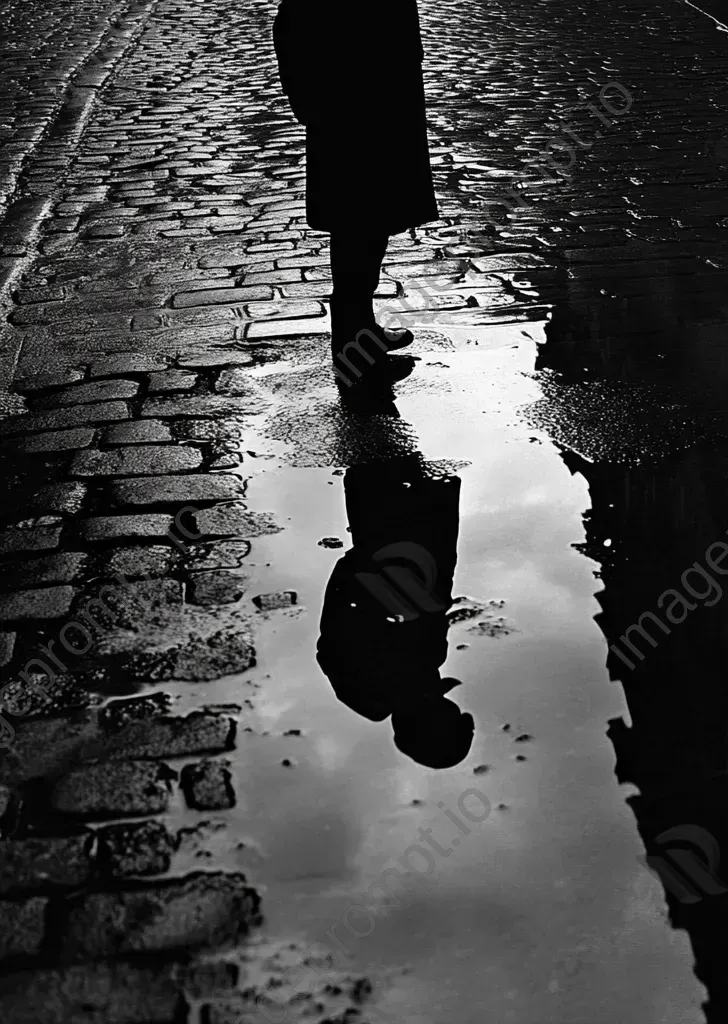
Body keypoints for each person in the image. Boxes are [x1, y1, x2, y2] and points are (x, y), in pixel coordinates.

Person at [273, 1, 439, 378]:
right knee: (358, 224)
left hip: (378, 104)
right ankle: (354, 340)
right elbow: (293, 22)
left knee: (368, 224)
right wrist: (312, 104)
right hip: (353, 107)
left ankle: (359, 331)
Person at [316, 459, 474, 769]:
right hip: (407, 538)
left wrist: (355, 567)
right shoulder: (423, 671)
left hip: (388, 536)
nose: (459, 712)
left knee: (374, 445)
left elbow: (333, 643)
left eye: (456, 719)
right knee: (387, 445)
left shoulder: (370, 693)